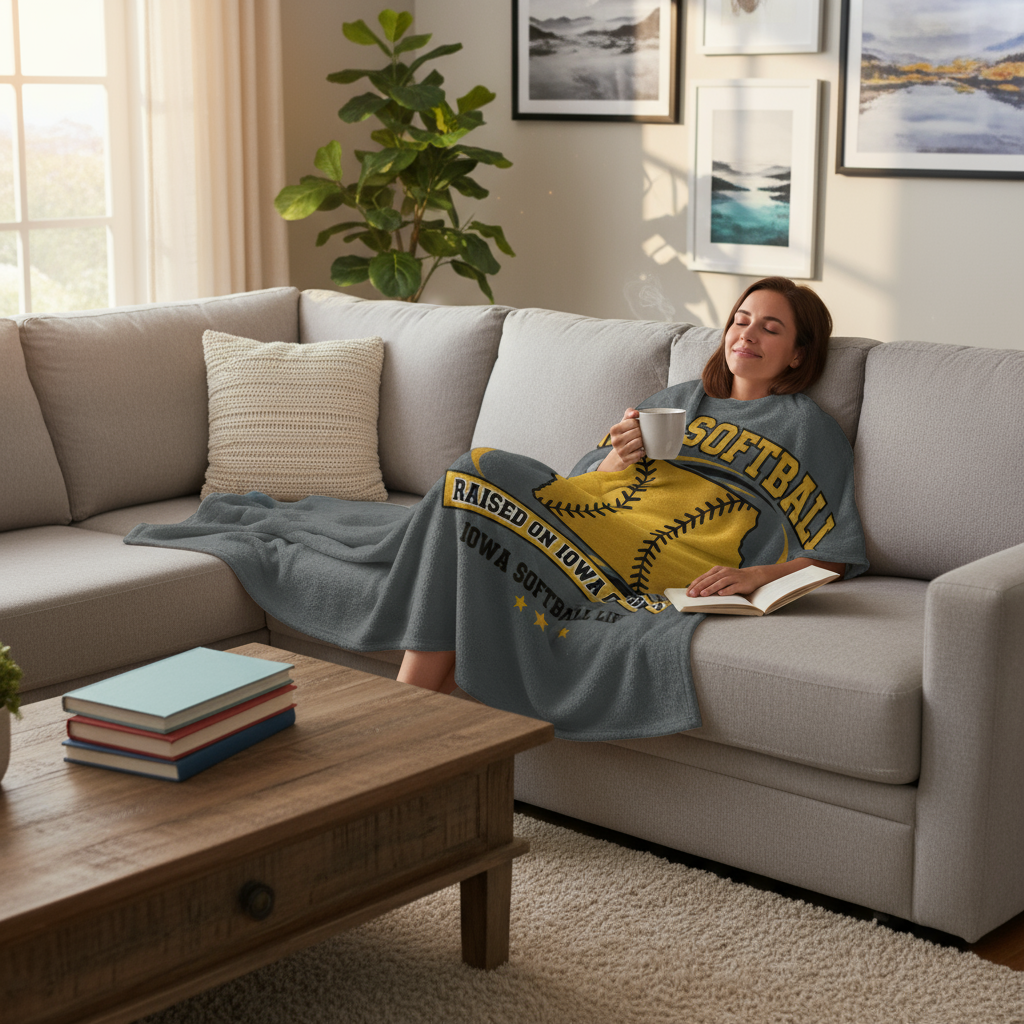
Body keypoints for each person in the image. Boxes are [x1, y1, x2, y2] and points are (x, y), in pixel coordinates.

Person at [398, 276, 851, 694]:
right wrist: (618, 455)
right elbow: (579, 487)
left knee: (477, 481)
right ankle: (416, 717)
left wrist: (755, 576)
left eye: (770, 329)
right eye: (740, 320)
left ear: (797, 353)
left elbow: (835, 555)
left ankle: (404, 708)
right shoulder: (677, 401)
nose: (747, 335)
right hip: (596, 522)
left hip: (667, 554)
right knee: (475, 471)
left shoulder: (808, 429)